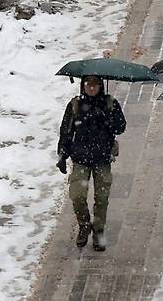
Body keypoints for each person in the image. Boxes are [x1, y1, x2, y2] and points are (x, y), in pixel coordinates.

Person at [56, 75, 126, 251]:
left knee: (101, 198)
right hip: (80, 158)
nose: (92, 88)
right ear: (83, 86)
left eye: (95, 84)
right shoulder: (75, 105)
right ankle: (84, 224)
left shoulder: (110, 103)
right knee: (77, 195)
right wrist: (62, 155)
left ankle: (98, 230)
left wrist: (108, 118)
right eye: (88, 84)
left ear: (100, 86)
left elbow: (121, 127)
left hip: (102, 158)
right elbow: (66, 131)